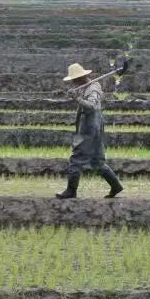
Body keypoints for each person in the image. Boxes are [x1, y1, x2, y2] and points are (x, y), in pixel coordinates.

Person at [56, 63, 124, 199]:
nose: (74, 82)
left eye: (75, 79)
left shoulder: (93, 89)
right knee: (97, 162)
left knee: (76, 158)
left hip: (90, 130)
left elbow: (91, 107)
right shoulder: (83, 87)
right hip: (92, 127)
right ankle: (116, 186)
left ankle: (71, 191)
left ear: (82, 77)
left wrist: (77, 99)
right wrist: (77, 96)